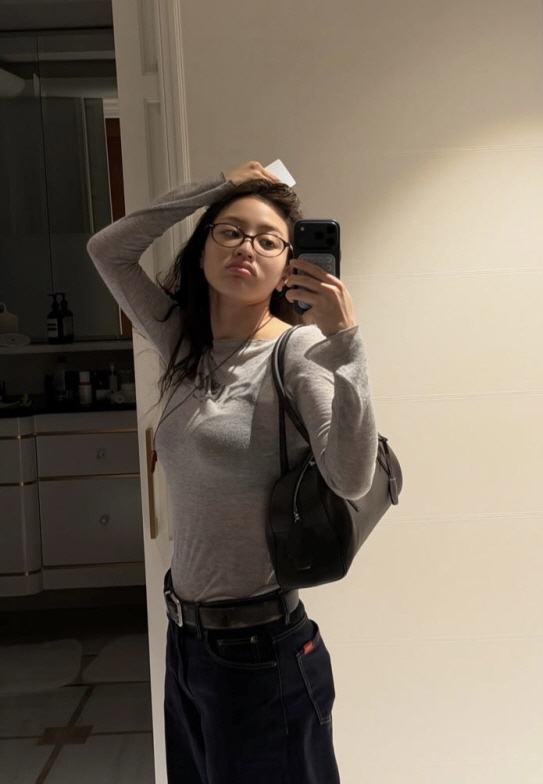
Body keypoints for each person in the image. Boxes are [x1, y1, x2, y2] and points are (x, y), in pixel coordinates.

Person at [87, 160, 378, 784]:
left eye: (269, 241)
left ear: (288, 267)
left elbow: (351, 478)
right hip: (187, 644)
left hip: (262, 653)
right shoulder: (181, 342)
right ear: (202, 250)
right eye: (230, 231)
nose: (247, 247)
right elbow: (108, 250)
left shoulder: (295, 350)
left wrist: (345, 342)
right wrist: (218, 186)